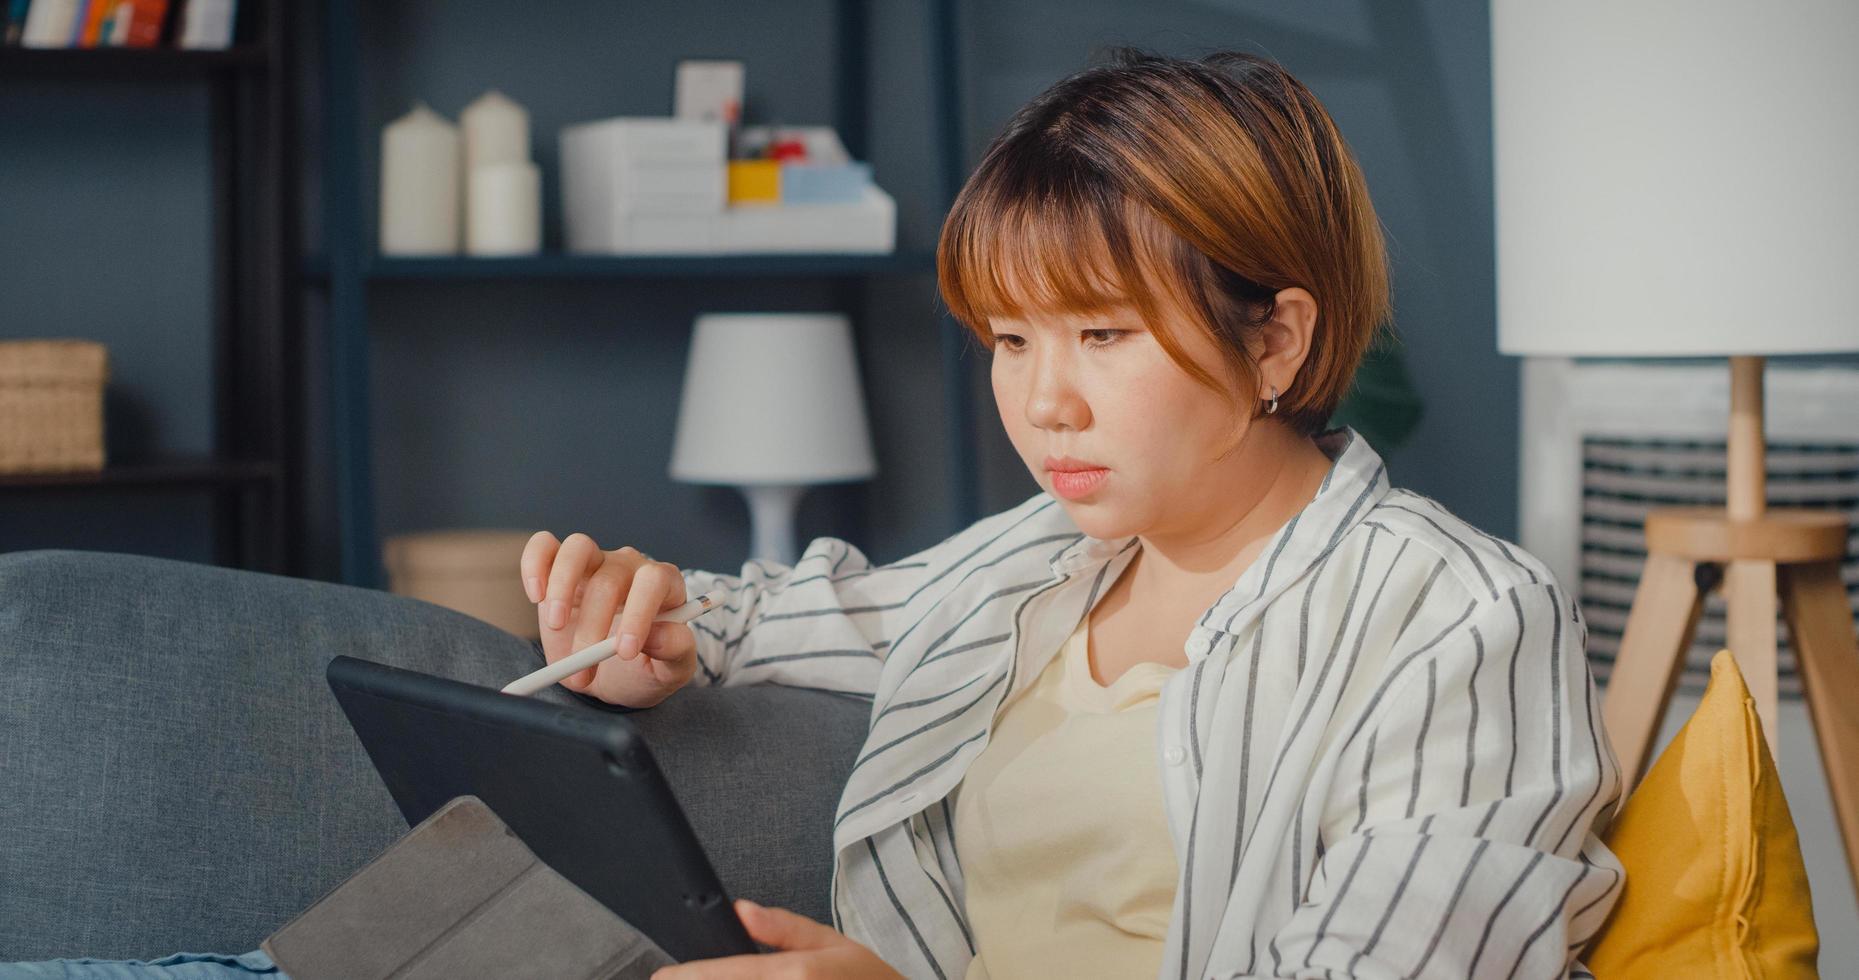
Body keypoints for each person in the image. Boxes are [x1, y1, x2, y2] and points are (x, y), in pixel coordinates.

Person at [6, 46, 1623, 980]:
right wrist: (651, 621)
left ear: (1277, 335)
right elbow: (801, 608)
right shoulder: (1048, 561)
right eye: (1009, 340)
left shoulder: (1454, 619)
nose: (1039, 402)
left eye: (1105, 338)